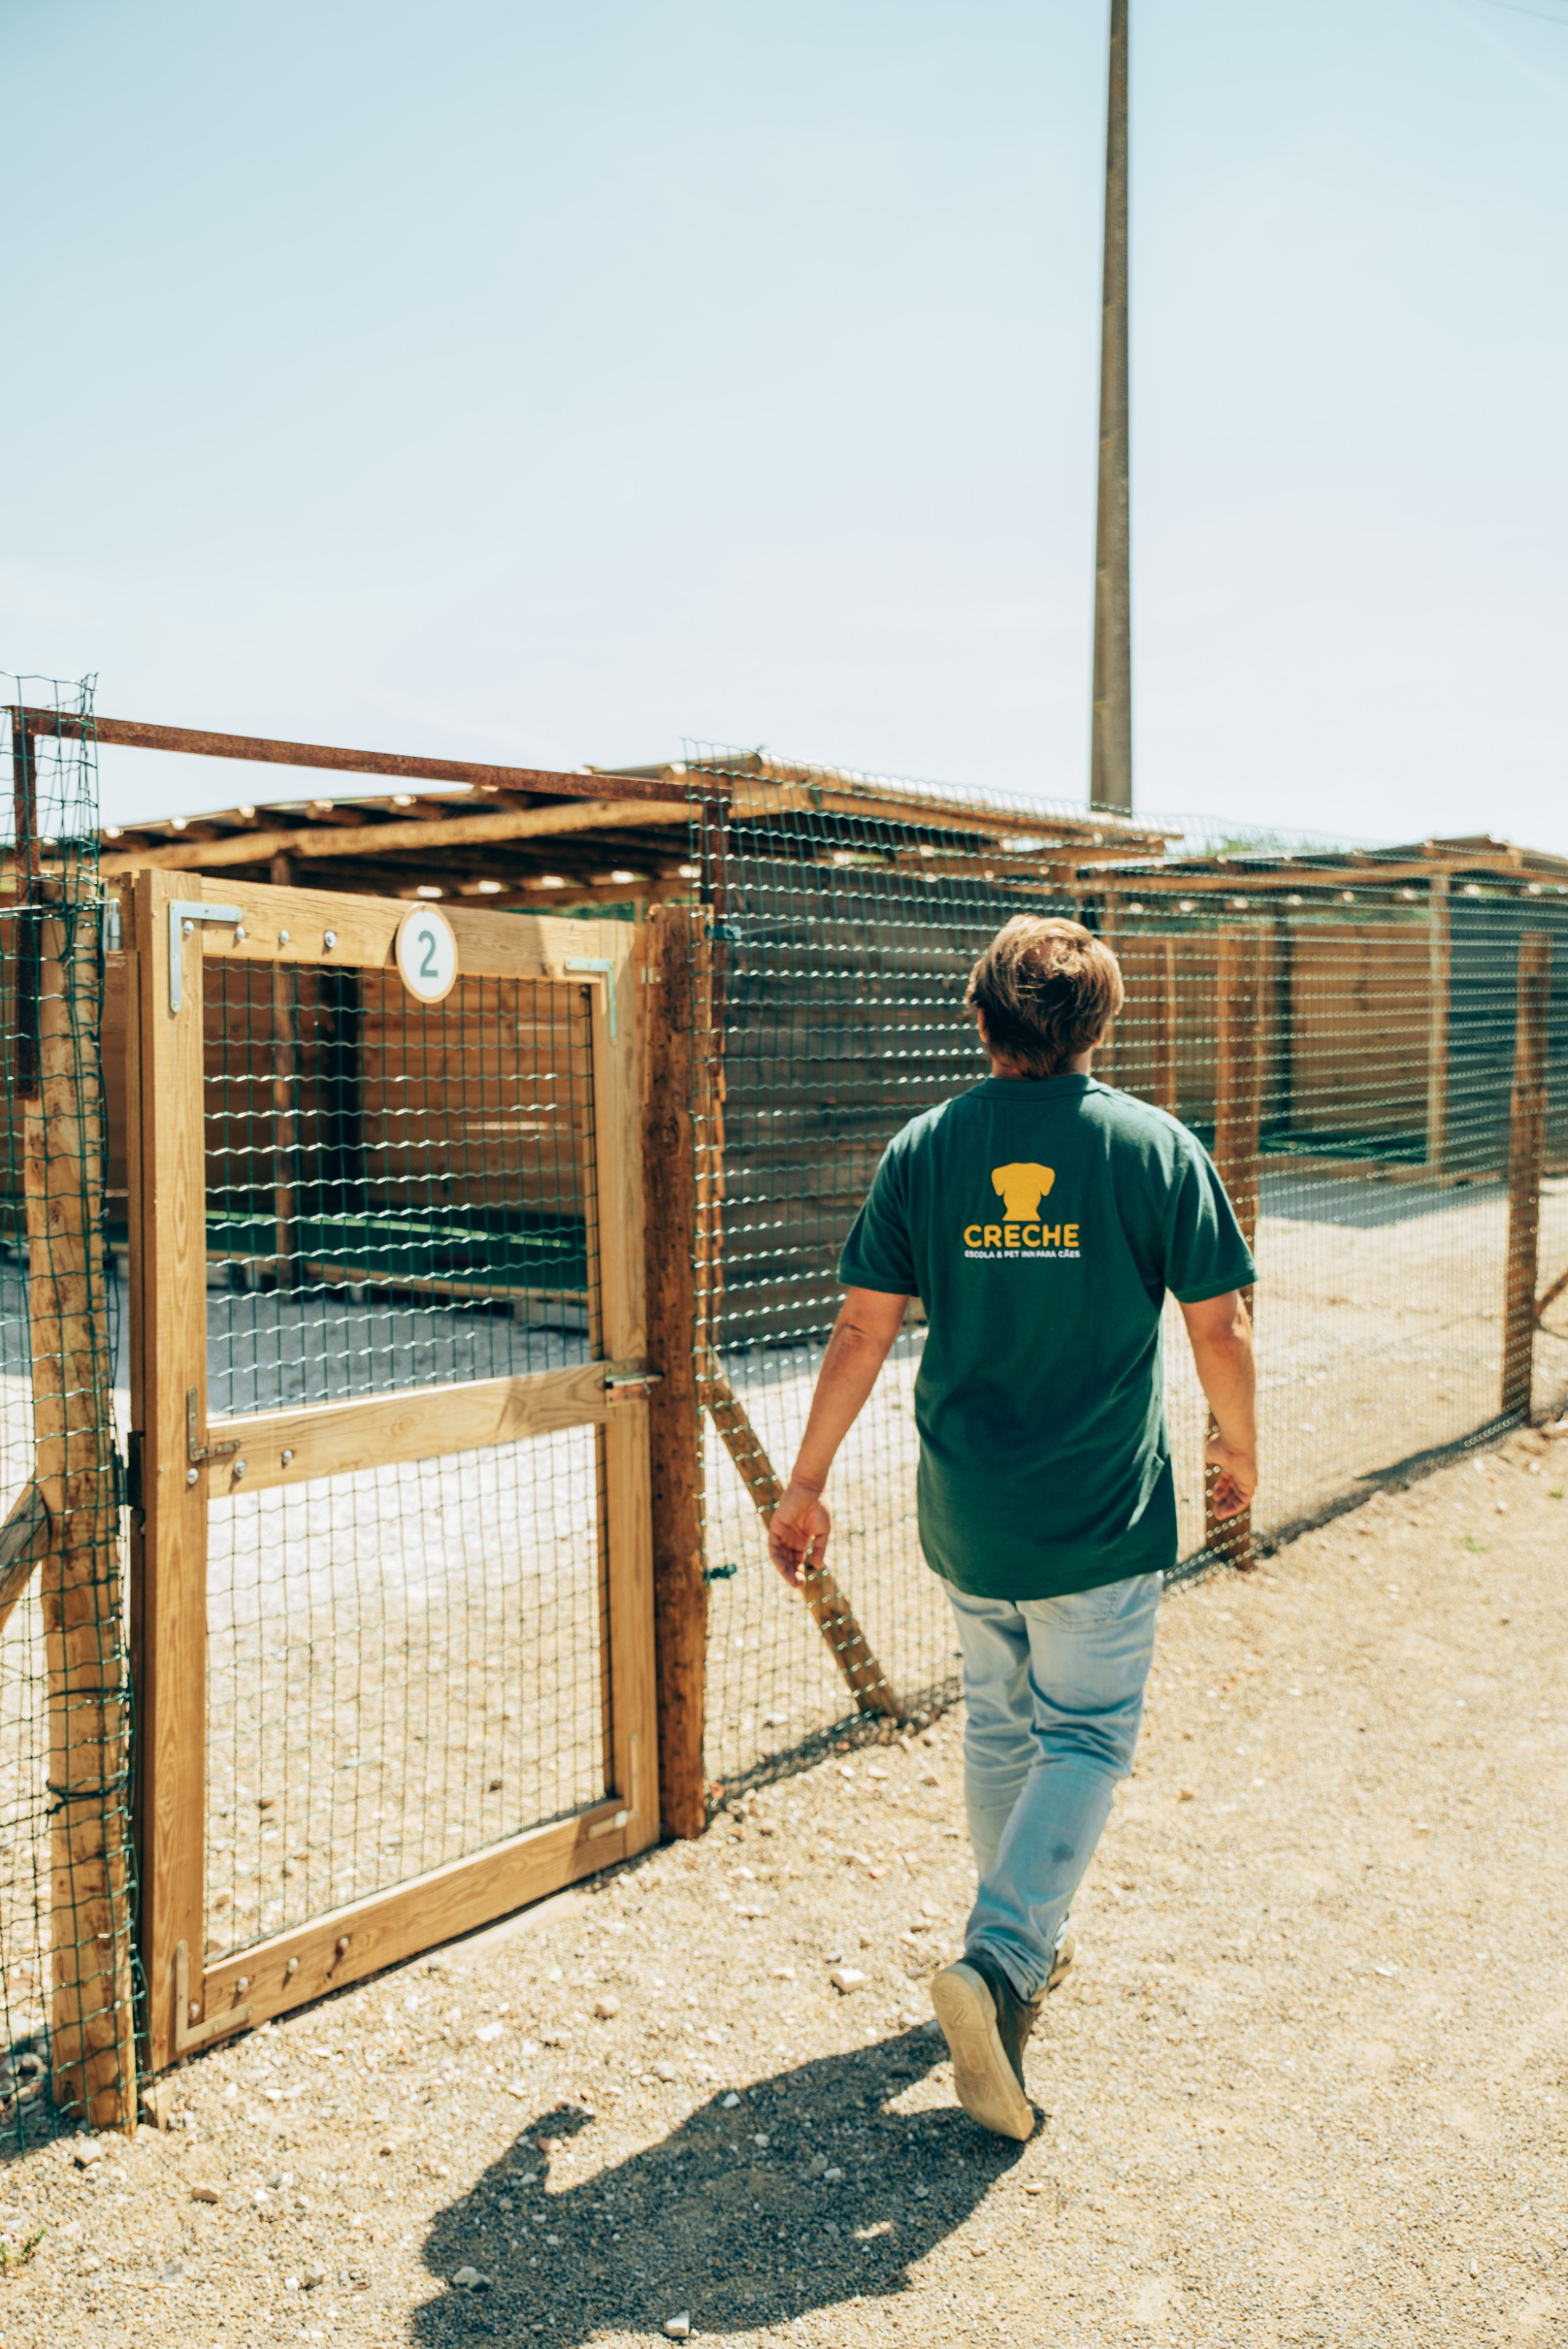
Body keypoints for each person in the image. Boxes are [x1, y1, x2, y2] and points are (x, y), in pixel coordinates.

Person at [766, 915, 1258, 2141]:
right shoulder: (1154, 1149)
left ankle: (1018, 1949)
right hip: (1098, 1513)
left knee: (1003, 1722)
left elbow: (859, 1334)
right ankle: (999, 1961)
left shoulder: (925, 1151)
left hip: (971, 1512)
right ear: (1101, 1024)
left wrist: (805, 1481)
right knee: (1085, 1735)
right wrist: (1237, 1445)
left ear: (980, 1018)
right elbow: (1218, 1329)